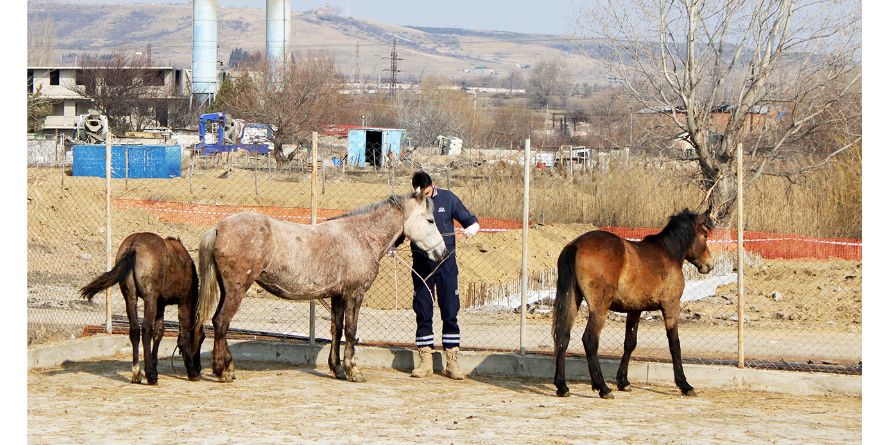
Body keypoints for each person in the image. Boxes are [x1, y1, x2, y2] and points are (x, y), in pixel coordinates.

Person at [409, 171, 480, 380]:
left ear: (433, 185)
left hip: (446, 265)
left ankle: (452, 361)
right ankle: (425, 361)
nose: (424, 196)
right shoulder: (413, 203)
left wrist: (472, 229)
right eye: (420, 193)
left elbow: (470, 220)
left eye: (427, 191)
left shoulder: (448, 199)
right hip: (421, 265)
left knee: (450, 310)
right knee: (423, 310)